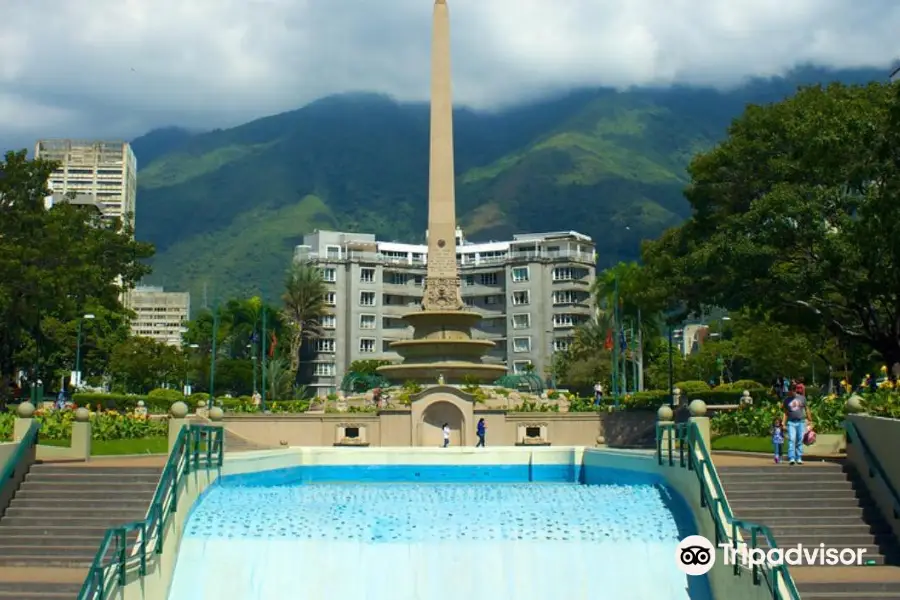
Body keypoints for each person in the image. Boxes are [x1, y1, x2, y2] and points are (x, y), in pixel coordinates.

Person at [783, 384, 812, 465]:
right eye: (789, 391)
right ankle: (792, 458)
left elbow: (806, 408)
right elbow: (785, 412)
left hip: (801, 422)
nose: (790, 393)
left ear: (795, 390)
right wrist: (783, 423)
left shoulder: (802, 398)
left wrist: (810, 419)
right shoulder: (786, 400)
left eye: (792, 391)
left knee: (799, 440)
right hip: (791, 422)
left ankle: (799, 457)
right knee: (792, 439)